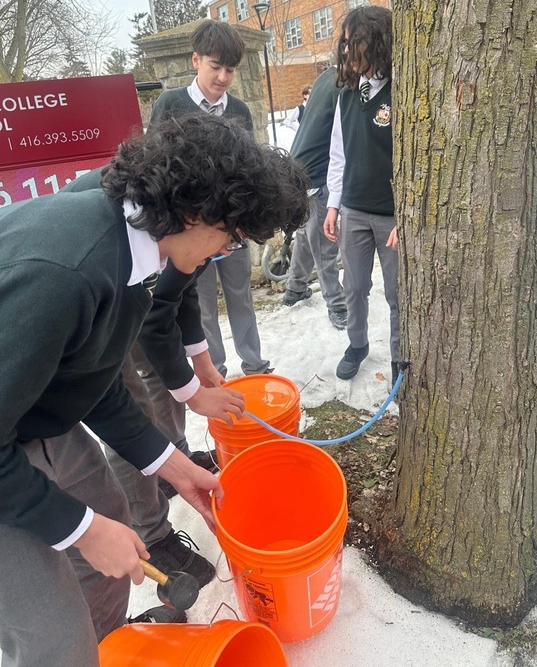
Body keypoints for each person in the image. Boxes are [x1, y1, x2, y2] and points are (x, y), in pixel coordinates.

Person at [0, 114, 309, 667]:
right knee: (49, 633)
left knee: (109, 514)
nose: (226, 253)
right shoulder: (68, 270)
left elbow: (87, 375)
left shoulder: (135, 244)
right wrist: (80, 528)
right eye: (231, 239)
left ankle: (104, 644)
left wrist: (172, 464)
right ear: (196, 210)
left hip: (29, 413)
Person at [150, 19, 271, 378]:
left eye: (230, 69)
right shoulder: (170, 104)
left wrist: (243, 224)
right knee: (201, 304)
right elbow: (156, 168)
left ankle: (254, 363)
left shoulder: (240, 112)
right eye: (215, 66)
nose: (222, 77)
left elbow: (249, 172)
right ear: (196, 60)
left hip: (232, 229)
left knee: (241, 297)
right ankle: (213, 367)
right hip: (188, 233)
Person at [323, 6, 400, 383]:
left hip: (391, 217)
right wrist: (333, 204)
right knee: (354, 288)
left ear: (379, 41)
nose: (350, 50)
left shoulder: (403, 93)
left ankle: (403, 358)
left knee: (398, 295)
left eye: (359, 42)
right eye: (347, 42)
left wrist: (406, 218)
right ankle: (357, 344)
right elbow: (339, 152)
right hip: (352, 210)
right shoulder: (348, 95)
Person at [282, 66, 347, 330]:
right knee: (324, 245)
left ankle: (295, 288)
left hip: (297, 168)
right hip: (317, 174)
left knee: (305, 237)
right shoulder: (346, 86)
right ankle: (338, 306)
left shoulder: (326, 77)